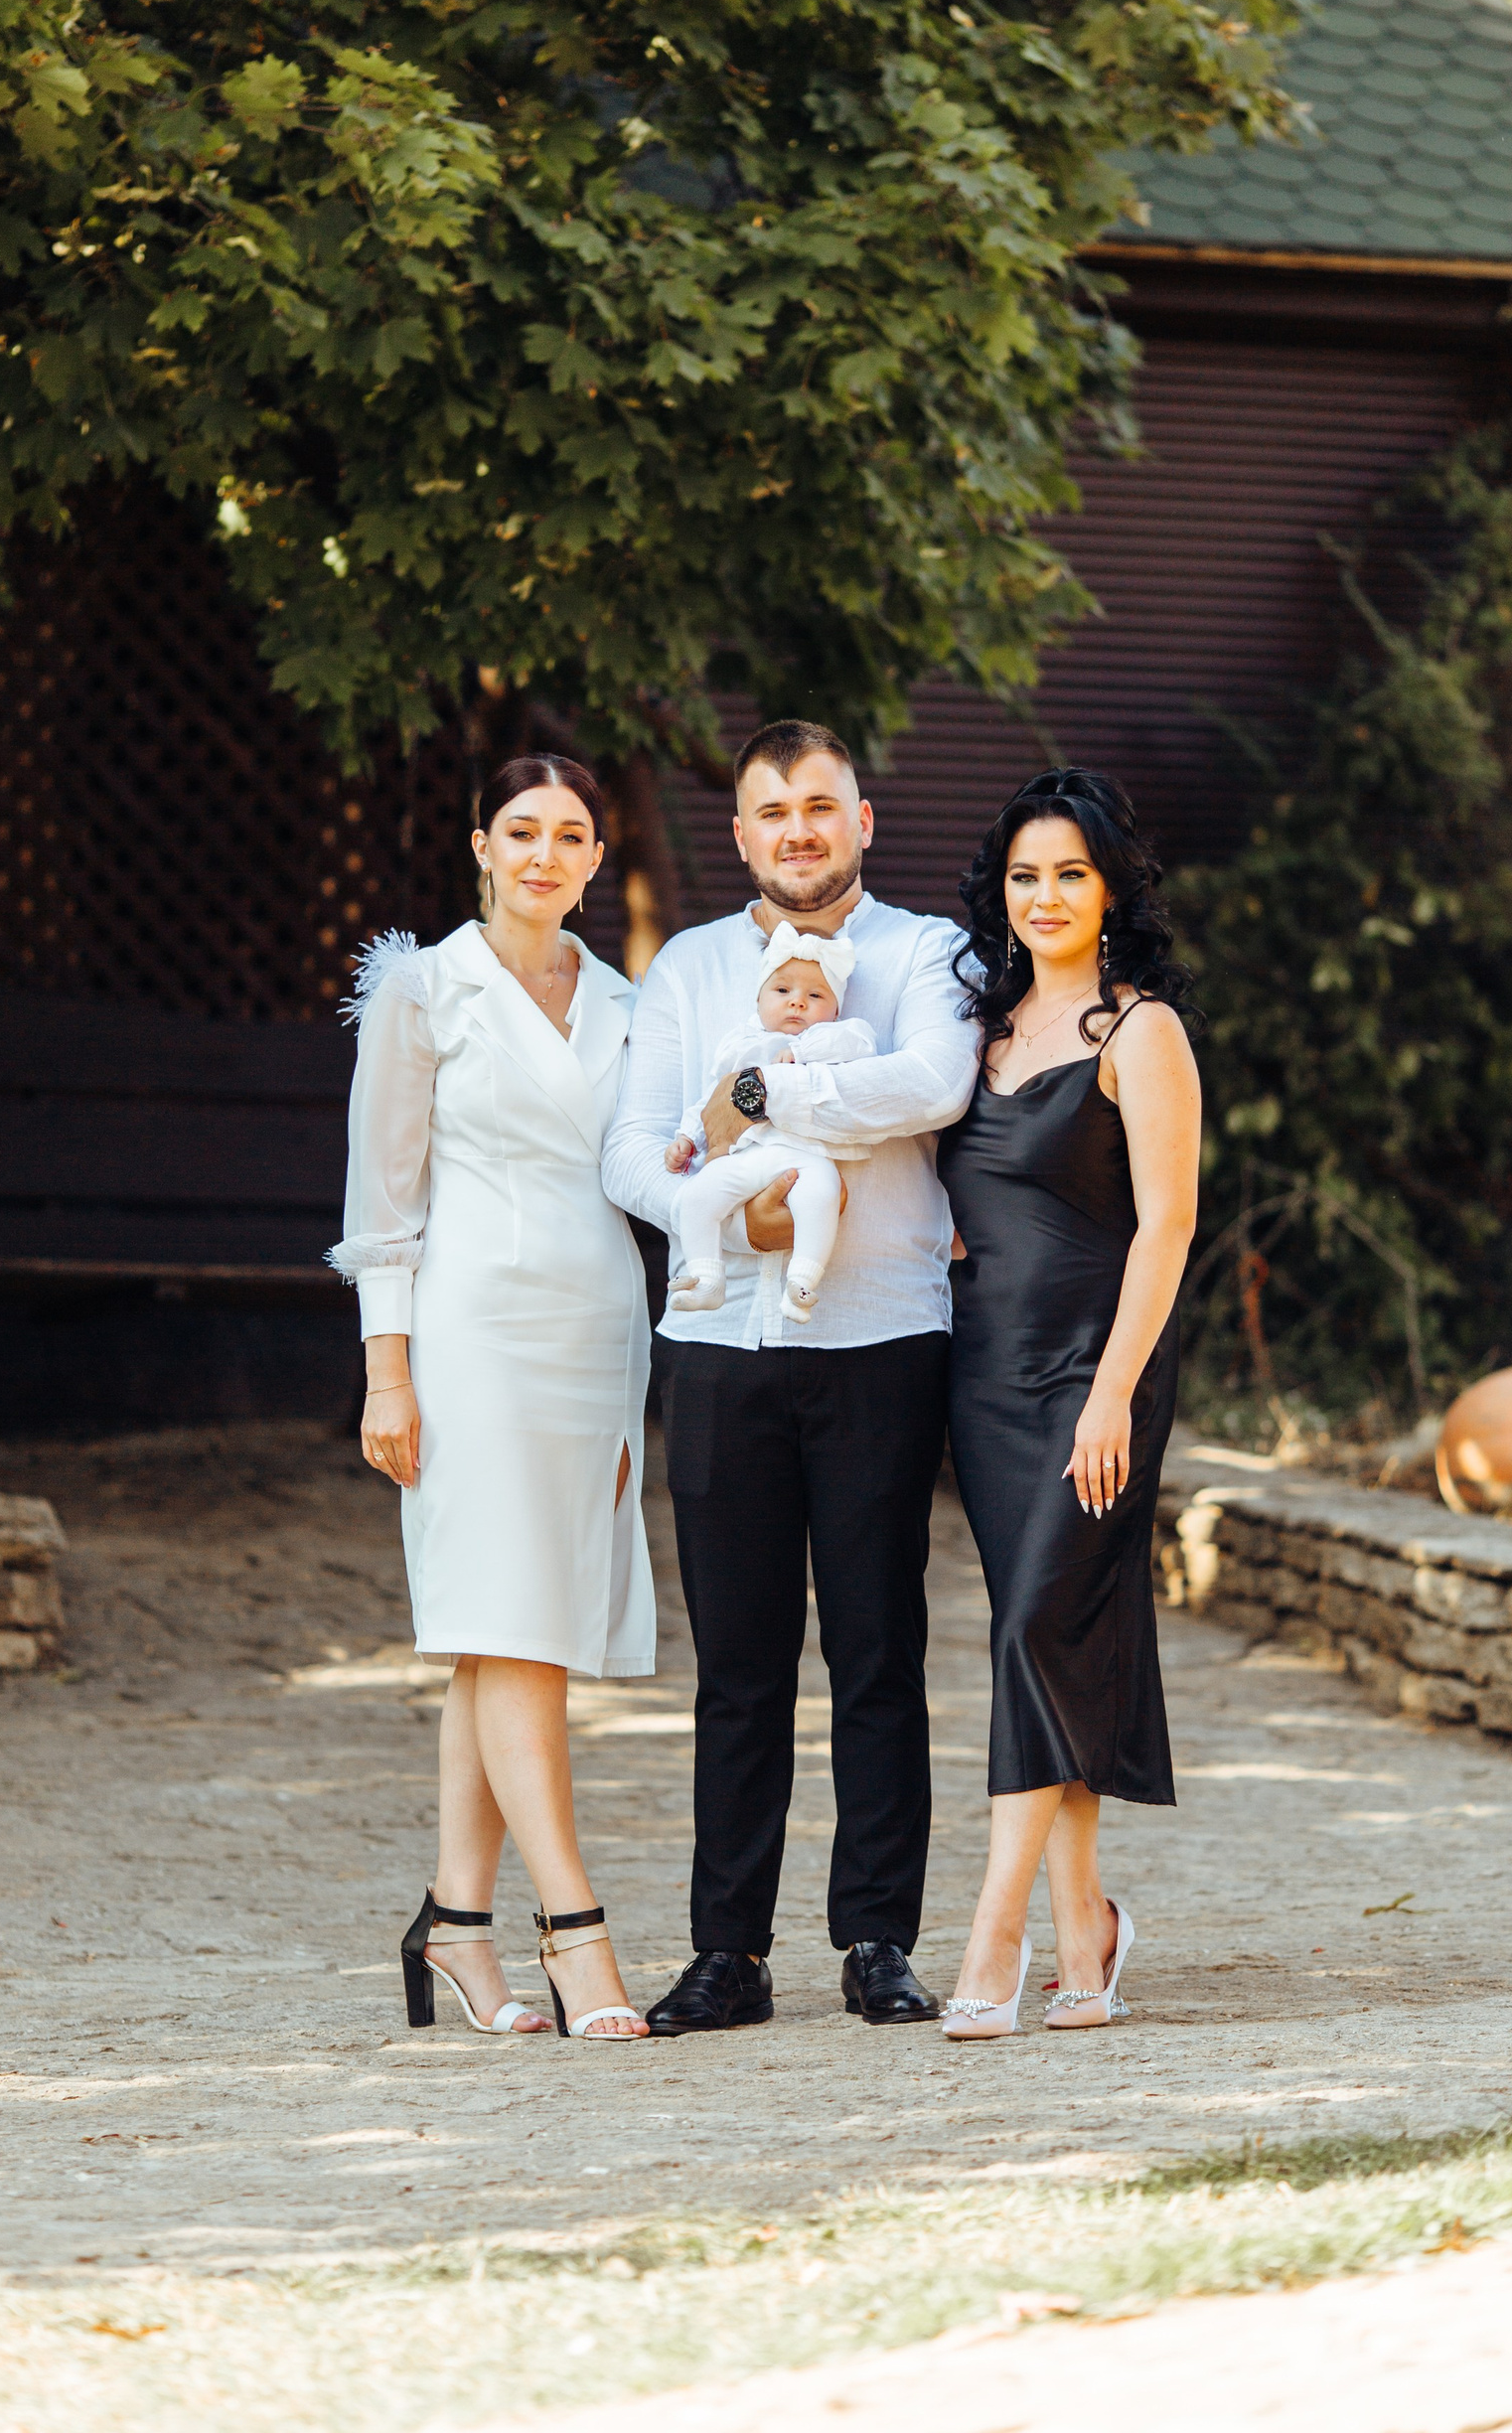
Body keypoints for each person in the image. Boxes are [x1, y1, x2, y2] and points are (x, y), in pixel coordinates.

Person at [602, 720, 979, 2035]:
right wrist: (732, 1196)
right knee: (738, 1666)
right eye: (774, 811)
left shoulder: (928, 952)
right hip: (718, 1353)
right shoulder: (688, 966)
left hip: (881, 1339)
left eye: (821, 806)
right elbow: (633, 1153)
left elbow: (933, 1084)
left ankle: (878, 1939)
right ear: (743, 833)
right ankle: (729, 1953)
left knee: (878, 1651)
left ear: (861, 820)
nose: (799, 830)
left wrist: (754, 1100)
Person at [332, 756, 657, 2044]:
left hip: (598, 1339)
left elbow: (650, 1165)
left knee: (506, 1628)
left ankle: (456, 1923)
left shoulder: (626, 1001)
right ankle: (576, 1930)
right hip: (472, 1335)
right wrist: (387, 1373)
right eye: (521, 830)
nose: (543, 855)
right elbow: (382, 1202)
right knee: (518, 1630)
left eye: (570, 835)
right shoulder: (424, 991)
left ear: (595, 859)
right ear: (480, 844)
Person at [936, 768, 1200, 2040]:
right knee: (1046, 1638)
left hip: (1099, 1377)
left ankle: (996, 1933)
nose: (1044, 896)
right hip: (984, 1379)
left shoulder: (1141, 1032)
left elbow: (1168, 1226)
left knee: (1035, 1627)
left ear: (1110, 890)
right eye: (1025, 875)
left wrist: (1111, 1399)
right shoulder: (975, 1033)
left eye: (1070, 874)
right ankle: (1086, 1922)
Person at [665, 923, 874, 1325]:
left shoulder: (839, 1035)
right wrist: (687, 1137)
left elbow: (862, 1044)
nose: (797, 1002)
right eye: (782, 990)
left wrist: (802, 1050)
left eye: (815, 996)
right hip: (745, 1155)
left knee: (821, 1197)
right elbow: (712, 1097)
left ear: (835, 1010)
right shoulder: (741, 1044)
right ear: (758, 1000)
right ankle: (706, 1278)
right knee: (696, 1197)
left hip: (806, 1156)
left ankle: (802, 1283)